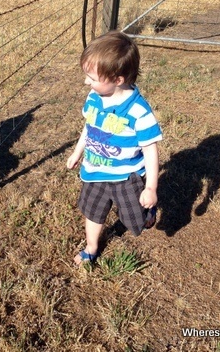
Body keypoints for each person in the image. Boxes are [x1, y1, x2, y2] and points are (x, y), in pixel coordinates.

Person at [66, 31, 162, 266]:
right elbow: (89, 127)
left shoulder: (138, 112)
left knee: (134, 218)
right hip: (95, 173)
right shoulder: (94, 97)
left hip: (126, 177)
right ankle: (91, 247)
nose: (86, 81)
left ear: (117, 79)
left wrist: (150, 187)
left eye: (92, 77)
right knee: (93, 212)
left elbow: (151, 151)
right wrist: (77, 152)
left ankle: (147, 213)